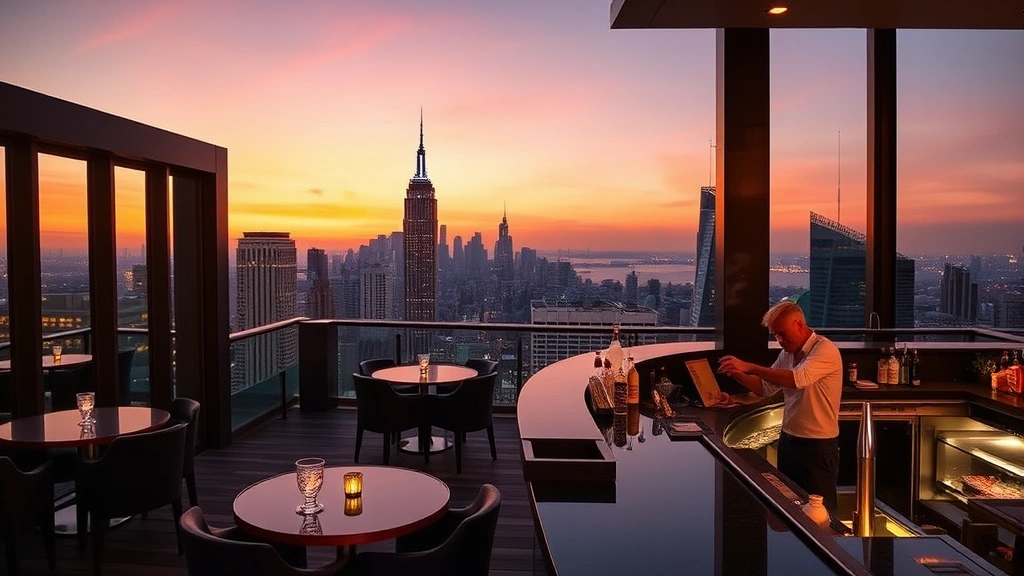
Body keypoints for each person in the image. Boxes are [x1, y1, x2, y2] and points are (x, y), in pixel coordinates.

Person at [717, 301, 843, 514]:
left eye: (782, 334)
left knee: (822, 516)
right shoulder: (788, 353)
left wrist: (749, 366)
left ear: (799, 325)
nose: (780, 341)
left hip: (817, 448)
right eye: (776, 335)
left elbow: (797, 379)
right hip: (788, 443)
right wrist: (735, 372)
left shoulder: (824, 349)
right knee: (789, 509)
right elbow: (765, 388)